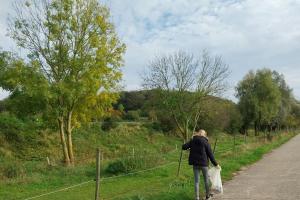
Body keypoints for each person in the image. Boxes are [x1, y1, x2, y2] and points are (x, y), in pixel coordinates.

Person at [182, 129, 220, 200]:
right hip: (204, 164)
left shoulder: (193, 140)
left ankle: (197, 198)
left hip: (195, 164)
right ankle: (207, 196)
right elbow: (210, 154)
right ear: (204, 135)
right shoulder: (205, 142)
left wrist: (190, 142)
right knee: (206, 180)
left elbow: (183, 147)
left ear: (198, 133)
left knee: (196, 181)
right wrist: (216, 164)